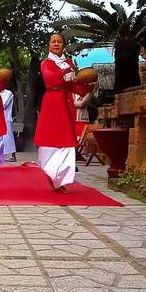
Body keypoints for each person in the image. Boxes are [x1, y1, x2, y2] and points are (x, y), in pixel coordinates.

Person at [34, 34, 94, 193]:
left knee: (66, 141)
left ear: (63, 45)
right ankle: (50, 172)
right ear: (49, 45)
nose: (56, 44)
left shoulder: (69, 63)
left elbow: (73, 86)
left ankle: (60, 180)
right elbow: (49, 78)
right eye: (53, 41)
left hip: (65, 103)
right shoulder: (46, 63)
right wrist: (64, 74)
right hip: (51, 102)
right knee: (50, 139)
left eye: (59, 42)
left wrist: (87, 87)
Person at [0, 89, 17, 162]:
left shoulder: (8, 93)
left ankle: (13, 156)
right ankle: (0, 155)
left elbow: (3, 105)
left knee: (8, 136)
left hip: (6, 117)